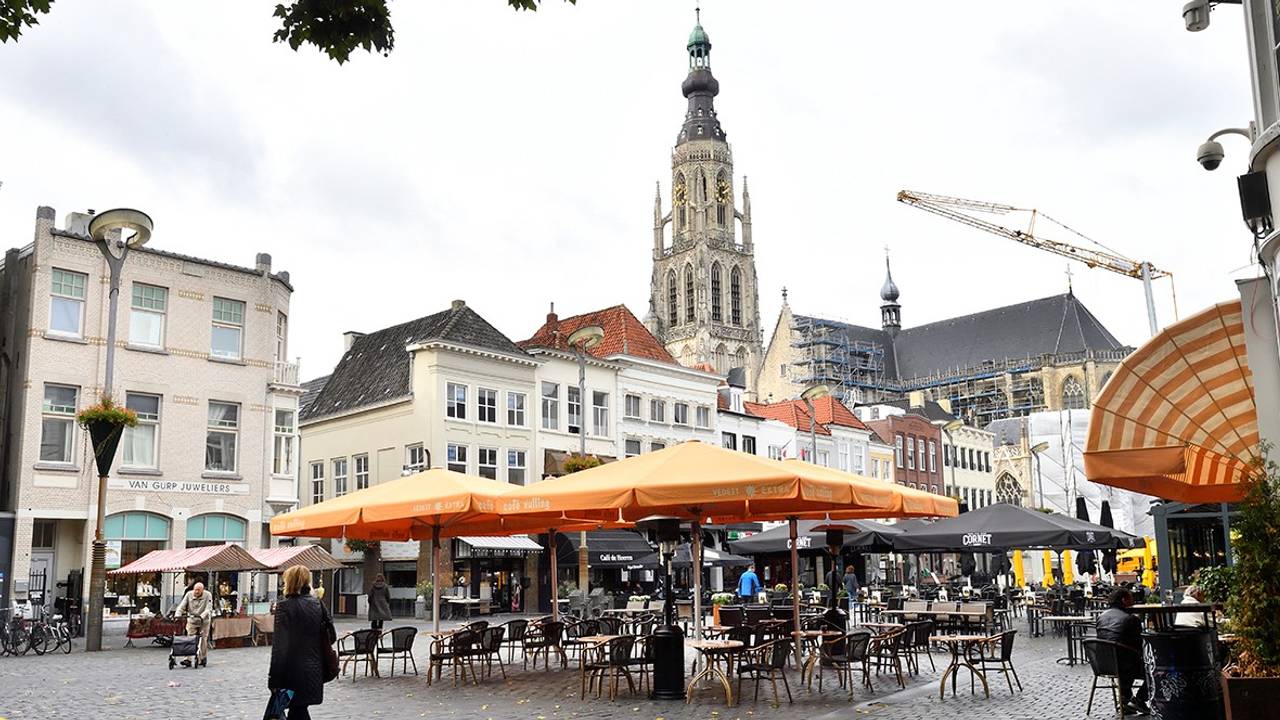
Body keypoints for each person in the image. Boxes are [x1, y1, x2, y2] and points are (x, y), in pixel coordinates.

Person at [269, 565, 337, 720]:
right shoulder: (318, 604)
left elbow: (279, 648)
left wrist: (273, 680)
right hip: (314, 669)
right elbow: (331, 636)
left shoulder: (284, 606)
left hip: (291, 672)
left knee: (297, 710)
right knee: (298, 710)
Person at [1096, 588, 1149, 715]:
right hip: (1125, 664)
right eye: (1131, 598)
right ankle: (1140, 699)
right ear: (1124, 600)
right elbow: (1138, 645)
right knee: (1154, 670)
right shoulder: (1131, 619)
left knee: (1125, 656)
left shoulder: (1101, 617)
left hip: (1103, 664)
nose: (1133, 601)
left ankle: (1125, 700)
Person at [174, 581, 213, 667]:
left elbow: (208, 608)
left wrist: (202, 616)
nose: (196, 592)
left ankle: (202, 658)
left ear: (202, 590)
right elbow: (182, 606)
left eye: (199, 590)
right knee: (190, 638)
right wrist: (177, 615)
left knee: (203, 639)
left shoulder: (208, 595)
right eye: (195, 589)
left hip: (204, 621)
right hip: (192, 620)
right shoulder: (189, 594)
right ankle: (187, 659)